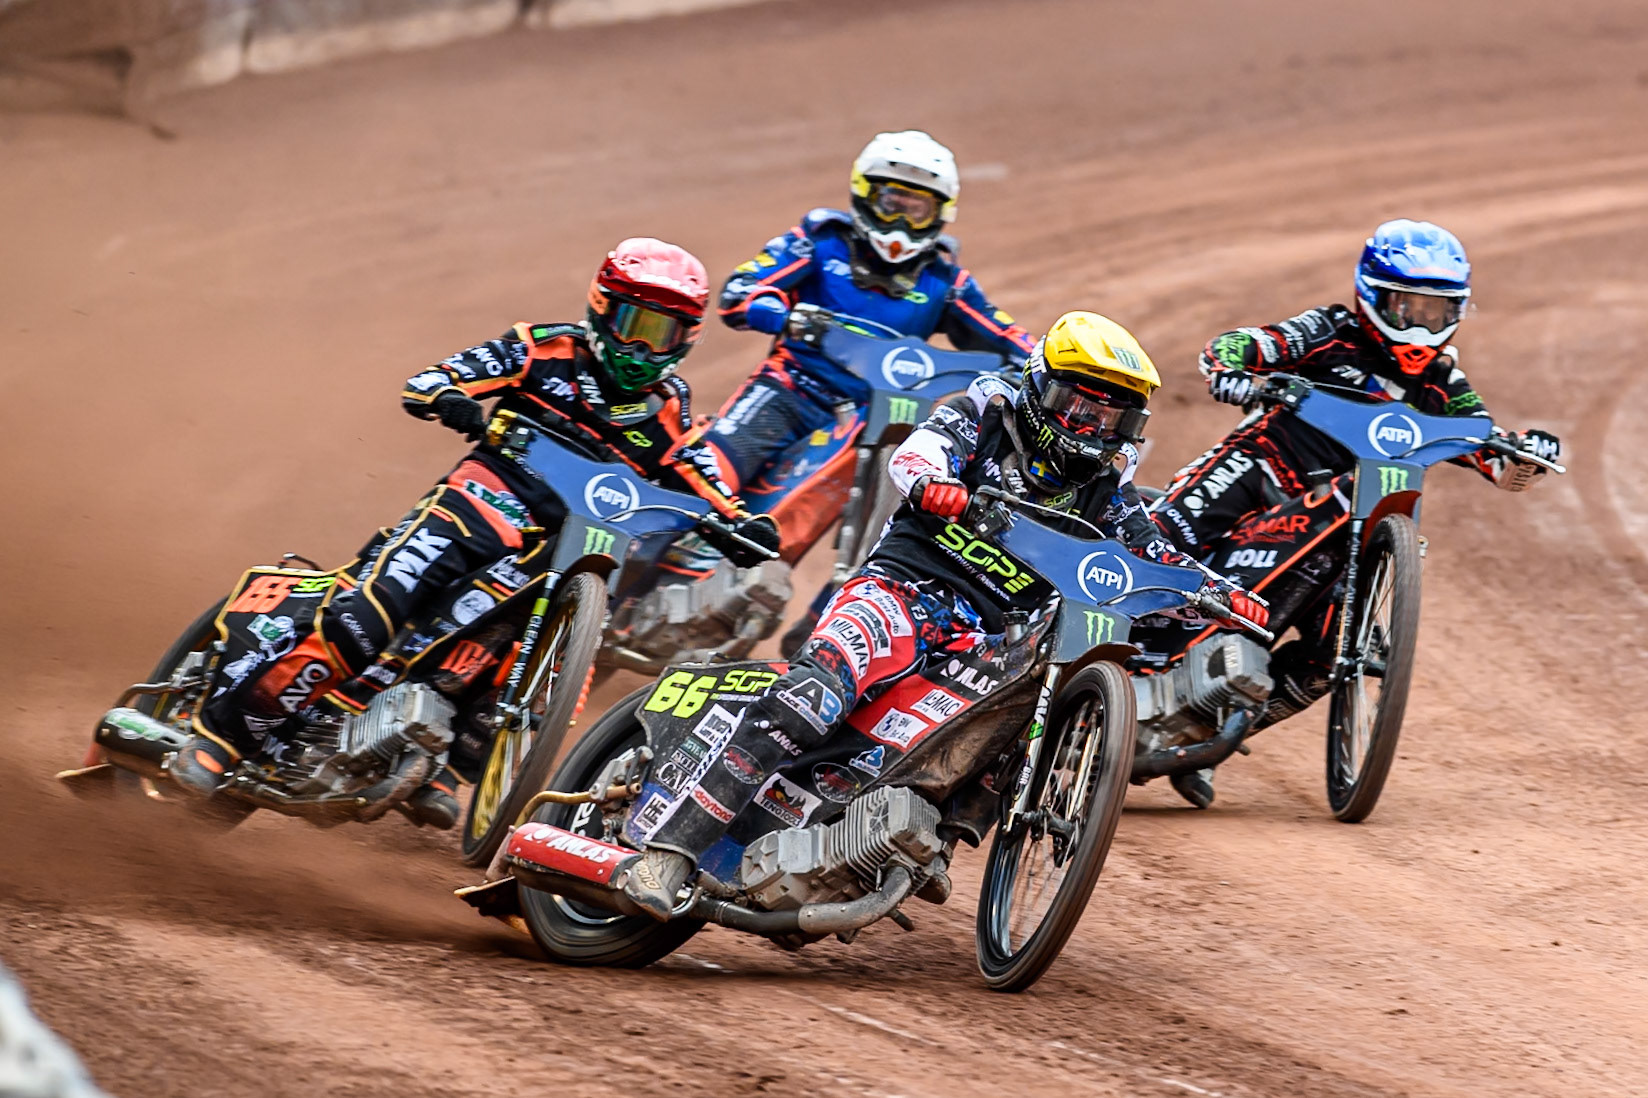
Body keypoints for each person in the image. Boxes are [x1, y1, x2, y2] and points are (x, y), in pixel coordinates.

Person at [621, 312, 1267, 918]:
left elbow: (1150, 550)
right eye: (1079, 406)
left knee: (1012, 722)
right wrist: (939, 486)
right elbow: (913, 457)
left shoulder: (1107, 488)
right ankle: (667, 854)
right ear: (1041, 388)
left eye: (1110, 416)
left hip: (984, 639)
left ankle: (920, 833)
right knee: (811, 700)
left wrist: (1217, 592)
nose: (1090, 426)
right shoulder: (983, 415)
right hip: (901, 594)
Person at [178, 238, 779, 826]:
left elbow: (699, 474)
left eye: (662, 333)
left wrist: (737, 521)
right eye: (634, 324)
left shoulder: (670, 407)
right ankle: (222, 740)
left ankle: (445, 765)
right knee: (368, 616)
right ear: (602, 309)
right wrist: (449, 397)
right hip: (475, 506)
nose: (641, 346)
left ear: (686, 340)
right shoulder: (543, 348)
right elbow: (435, 378)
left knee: (538, 656)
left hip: (558, 548)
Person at [1149, 219, 1562, 806]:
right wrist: (1233, 370)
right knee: (1157, 541)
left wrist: (1528, 453)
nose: (1420, 326)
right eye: (1407, 307)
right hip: (1258, 472)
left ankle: (1202, 733)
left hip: (1342, 526)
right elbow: (1240, 345)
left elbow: (1492, 453)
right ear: (1372, 296)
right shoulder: (1329, 330)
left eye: (1437, 312)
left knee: (1334, 652)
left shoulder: (1442, 381)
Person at [674, 130, 1036, 578]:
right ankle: (639, 554)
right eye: (891, 203)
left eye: (917, 209)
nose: (901, 222)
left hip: (869, 416)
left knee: (914, 485)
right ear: (865, 195)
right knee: (705, 472)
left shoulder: (945, 281)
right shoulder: (820, 241)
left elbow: (1007, 335)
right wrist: (777, 312)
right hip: (789, 388)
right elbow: (740, 291)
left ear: (940, 214)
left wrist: (1041, 370)